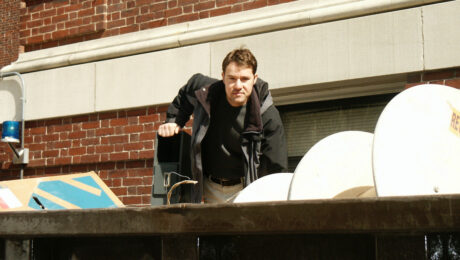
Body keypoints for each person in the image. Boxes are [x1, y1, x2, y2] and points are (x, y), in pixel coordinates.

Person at [158, 48, 287, 203]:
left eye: (244, 79)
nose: (238, 85)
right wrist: (174, 121)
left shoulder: (267, 115)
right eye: (232, 78)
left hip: (245, 189)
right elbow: (186, 93)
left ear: (254, 78)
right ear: (223, 77)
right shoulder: (206, 91)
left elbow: (277, 168)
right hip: (208, 187)